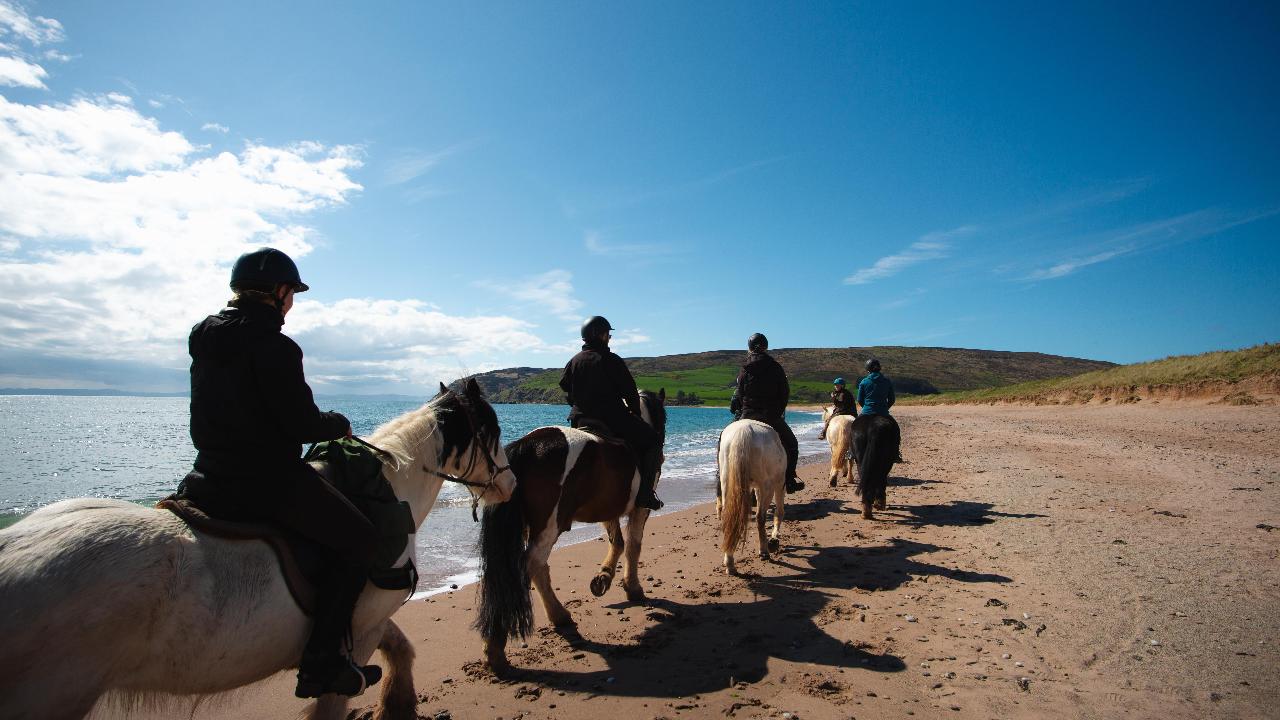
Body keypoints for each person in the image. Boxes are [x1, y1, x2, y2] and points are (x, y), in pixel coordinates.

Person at [179, 247, 382, 698]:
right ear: (279, 292)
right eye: (292, 294)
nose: (292, 304)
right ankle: (321, 664)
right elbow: (301, 424)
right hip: (265, 481)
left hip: (206, 476)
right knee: (362, 542)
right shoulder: (277, 346)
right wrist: (338, 423)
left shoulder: (202, 335)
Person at [559, 315, 664, 510]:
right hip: (612, 419)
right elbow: (630, 393)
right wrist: (635, 413)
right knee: (654, 442)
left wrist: (578, 405)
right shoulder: (611, 360)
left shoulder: (573, 361)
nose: (609, 338)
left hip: (579, 420)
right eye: (607, 334)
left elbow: (565, 387)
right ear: (600, 335)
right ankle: (645, 495)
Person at [730, 333, 803, 493]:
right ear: (766, 347)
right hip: (770, 415)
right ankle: (790, 479)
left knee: (724, 440)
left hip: (747, 414)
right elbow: (784, 393)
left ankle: (722, 480)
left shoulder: (744, 369)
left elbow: (740, 393)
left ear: (749, 348)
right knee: (792, 445)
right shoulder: (776, 367)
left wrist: (746, 409)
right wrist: (777, 412)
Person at [857, 357, 905, 463]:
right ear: (879, 368)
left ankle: (851, 452)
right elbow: (892, 399)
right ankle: (896, 453)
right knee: (896, 430)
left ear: (868, 369)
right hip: (883, 412)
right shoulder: (887, 381)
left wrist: (866, 408)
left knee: (853, 427)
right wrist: (884, 408)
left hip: (867, 412)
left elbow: (859, 399)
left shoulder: (864, 382)